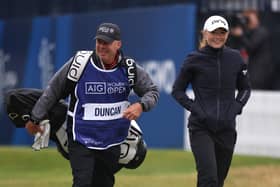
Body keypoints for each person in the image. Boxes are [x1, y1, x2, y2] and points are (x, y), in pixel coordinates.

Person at [24, 22, 159, 187]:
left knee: (103, 183)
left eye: (106, 43)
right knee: (82, 183)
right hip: (81, 138)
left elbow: (152, 92)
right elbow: (54, 90)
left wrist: (141, 105)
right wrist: (35, 117)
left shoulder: (129, 69)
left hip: (112, 140)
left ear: (118, 44)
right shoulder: (79, 64)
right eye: (99, 42)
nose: (101, 46)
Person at [171, 15, 251, 187]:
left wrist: (236, 107)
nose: (218, 36)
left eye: (222, 32)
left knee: (218, 181)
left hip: (227, 129)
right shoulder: (194, 59)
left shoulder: (236, 58)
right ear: (205, 33)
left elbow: (245, 88)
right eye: (214, 32)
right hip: (201, 128)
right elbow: (177, 91)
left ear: (227, 35)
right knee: (209, 179)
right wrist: (196, 108)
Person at [4, 88, 148, 170]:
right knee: (14, 100)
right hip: (66, 124)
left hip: (65, 124)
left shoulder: (129, 137)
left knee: (14, 99)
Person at [230, 9, 273, 90]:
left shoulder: (261, 32)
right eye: (246, 19)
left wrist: (241, 35)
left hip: (260, 73)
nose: (248, 21)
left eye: (250, 18)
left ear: (257, 18)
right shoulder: (248, 32)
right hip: (248, 70)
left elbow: (251, 47)